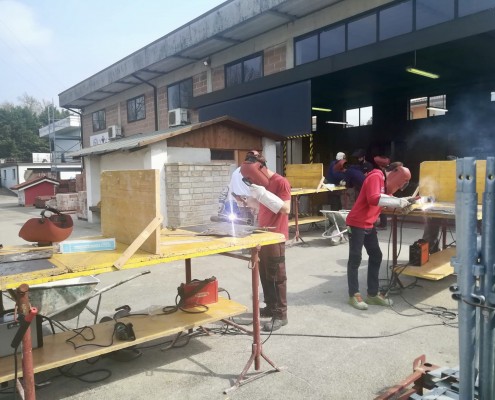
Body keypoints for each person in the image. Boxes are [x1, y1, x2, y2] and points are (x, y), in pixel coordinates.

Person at [345, 156, 411, 310]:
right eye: (401, 182)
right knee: (355, 258)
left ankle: (372, 295)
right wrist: (398, 202)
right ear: (395, 174)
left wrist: (405, 202)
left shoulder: (383, 183)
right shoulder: (376, 176)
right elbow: (374, 199)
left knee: (376, 255)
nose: (399, 186)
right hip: (357, 223)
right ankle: (353, 295)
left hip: (368, 223)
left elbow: (385, 200)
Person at [240, 152, 291, 332]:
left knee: (277, 276)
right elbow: (261, 206)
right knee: (264, 274)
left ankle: (281, 314)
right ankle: (270, 306)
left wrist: (263, 195)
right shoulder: (260, 185)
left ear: (261, 168)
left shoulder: (281, 182)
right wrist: (246, 201)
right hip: (262, 234)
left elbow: (285, 208)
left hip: (276, 236)